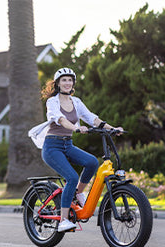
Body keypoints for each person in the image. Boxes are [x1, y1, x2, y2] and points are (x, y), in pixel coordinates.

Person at [29, 67, 123, 232]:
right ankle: (64, 220)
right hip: (52, 147)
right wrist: (76, 128)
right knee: (71, 177)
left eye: (70, 80)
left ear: (73, 83)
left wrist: (112, 128)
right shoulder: (52, 102)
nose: (67, 83)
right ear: (58, 83)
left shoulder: (76, 102)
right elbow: (60, 119)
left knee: (92, 162)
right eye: (64, 80)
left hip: (68, 145)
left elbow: (92, 118)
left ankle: (77, 193)